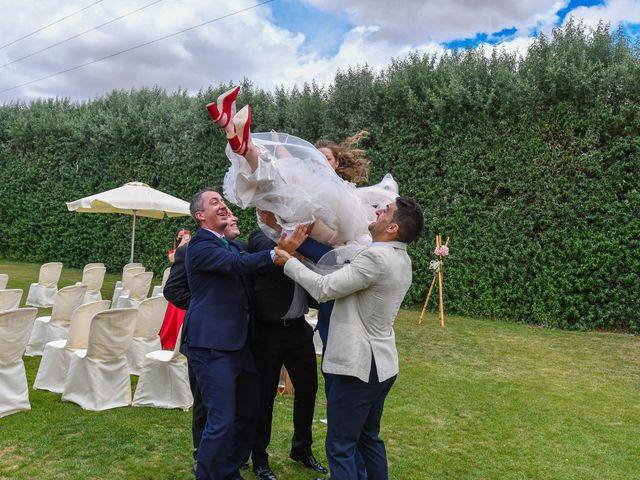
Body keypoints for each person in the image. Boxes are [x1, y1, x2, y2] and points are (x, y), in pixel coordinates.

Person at [274, 196, 424, 480]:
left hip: (359, 367)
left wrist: (288, 262)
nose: (379, 211)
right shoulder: (400, 257)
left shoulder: (375, 257)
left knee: (341, 445)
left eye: (386, 211)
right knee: (368, 438)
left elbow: (324, 288)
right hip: (381, 366)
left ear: (392, 228)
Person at [206, 86, 399, 246]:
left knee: (280, 188)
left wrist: (277, 226)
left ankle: (240, 139)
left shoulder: (345, 193)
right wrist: (279, 146)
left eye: (326, 160)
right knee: (278, 179)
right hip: (302, 216)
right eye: (315, 161)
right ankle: (237, 137)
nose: (318, 165)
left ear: (338, 163)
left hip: (327, 237)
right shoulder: (306, 180)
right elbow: (293, 163)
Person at [183, 188, 276, 480]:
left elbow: (252, 256)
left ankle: (228, 470)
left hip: (239, 346)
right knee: (221, 420)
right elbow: (239, 265)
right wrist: (276, 254)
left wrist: (282, 238)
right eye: (215, 202)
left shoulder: (230, 245)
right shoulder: (198, 245)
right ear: (200, 216)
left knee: (248, 414)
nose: (223, 205)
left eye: (223, 201)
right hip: (211, 346)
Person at [164, 214, 242, 474]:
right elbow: (172, 291)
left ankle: (224, 456)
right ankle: (201, 453)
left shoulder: (234, 248)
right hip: (201, 335)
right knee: (203, 403)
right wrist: (203, 306)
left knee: (226, 405)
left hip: (230, 338)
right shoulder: (188, 251)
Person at [247, 228, 328, 480]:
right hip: (267, 332)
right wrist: (293, 252)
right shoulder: (261, 235)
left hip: (299, 329)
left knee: (308, 389)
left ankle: (301, 449)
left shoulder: (308, 241)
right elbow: (264, 251)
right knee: (264, 396)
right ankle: (259, 457)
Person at [159, 228, 191, 349]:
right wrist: (182, 244)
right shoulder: (175, 251)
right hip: (177, 288)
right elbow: (173, 259)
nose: (183, 237)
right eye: (180, 236)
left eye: (186, 235)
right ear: (177, 238)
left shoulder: (192, 249)